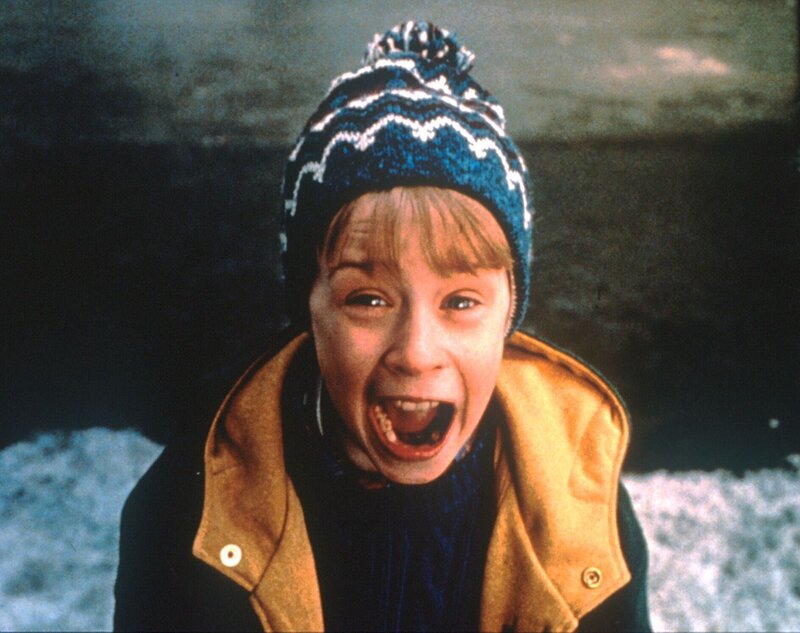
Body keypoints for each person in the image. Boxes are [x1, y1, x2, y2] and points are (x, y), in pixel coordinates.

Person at [114, 21, 651, 632]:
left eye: (461, 302)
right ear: (309, 309)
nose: (417, 352)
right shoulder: (188, 514)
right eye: (368, 299)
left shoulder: (585, 515)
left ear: (509, 313)